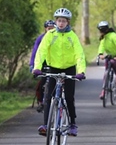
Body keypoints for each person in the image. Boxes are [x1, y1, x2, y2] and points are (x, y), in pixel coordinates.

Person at [32, 8, 86, 137]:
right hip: (53, 68)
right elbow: (41, 51)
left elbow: (79, 55)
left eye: (63, 21)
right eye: (59, 20)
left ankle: (72, 124)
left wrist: (81, 71)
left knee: (68, 97)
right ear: (56, 21)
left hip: (69, 69)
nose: (61, 23)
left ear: (68, 22)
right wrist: (37, 67)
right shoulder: (50, 35)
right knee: (48, 98)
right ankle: (45, 125)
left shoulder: (72, 36)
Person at [29, 20, 55, 112]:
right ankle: (41, 102)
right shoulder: (41, 38)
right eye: (49, 28)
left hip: (54, 63)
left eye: (52, 29)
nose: (50, 30)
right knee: (41, 84)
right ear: (45, 29)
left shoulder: (57, 38)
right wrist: (32, 65)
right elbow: (35, 52)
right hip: (42, 63)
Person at [97, 21, 116, 99]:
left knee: (113, 62)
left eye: (102, 30)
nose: (101, 32)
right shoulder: (104, 37)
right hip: (109, 56)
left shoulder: (113, 36)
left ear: (106, 30)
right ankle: (104, 91)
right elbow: (101, 46)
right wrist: (100, 54)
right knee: (106, 72)